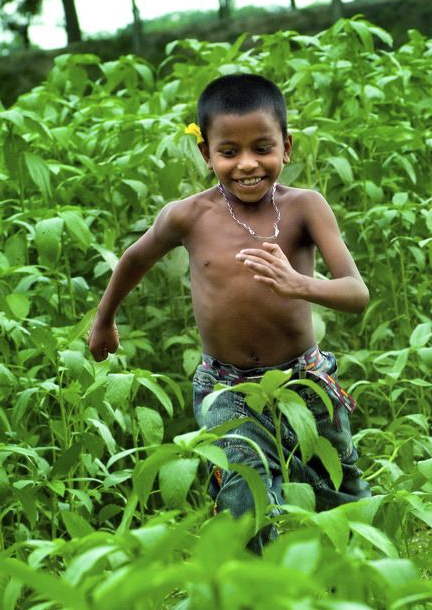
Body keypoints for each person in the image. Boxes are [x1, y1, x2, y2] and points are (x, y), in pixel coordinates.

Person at [88, 73, 371, 550]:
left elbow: (356, 293)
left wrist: (300, 285)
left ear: (287, 147)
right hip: (225, 386)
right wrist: (104, 319)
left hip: (305, 379)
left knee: (340, 491)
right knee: (243, 494)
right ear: (206, 154)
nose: (247, 164)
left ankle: (359, 577)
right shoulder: (189, 216)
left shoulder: (305, 208)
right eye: (228, 152)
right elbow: (135, 259)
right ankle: (256, 584)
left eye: (262, 148)